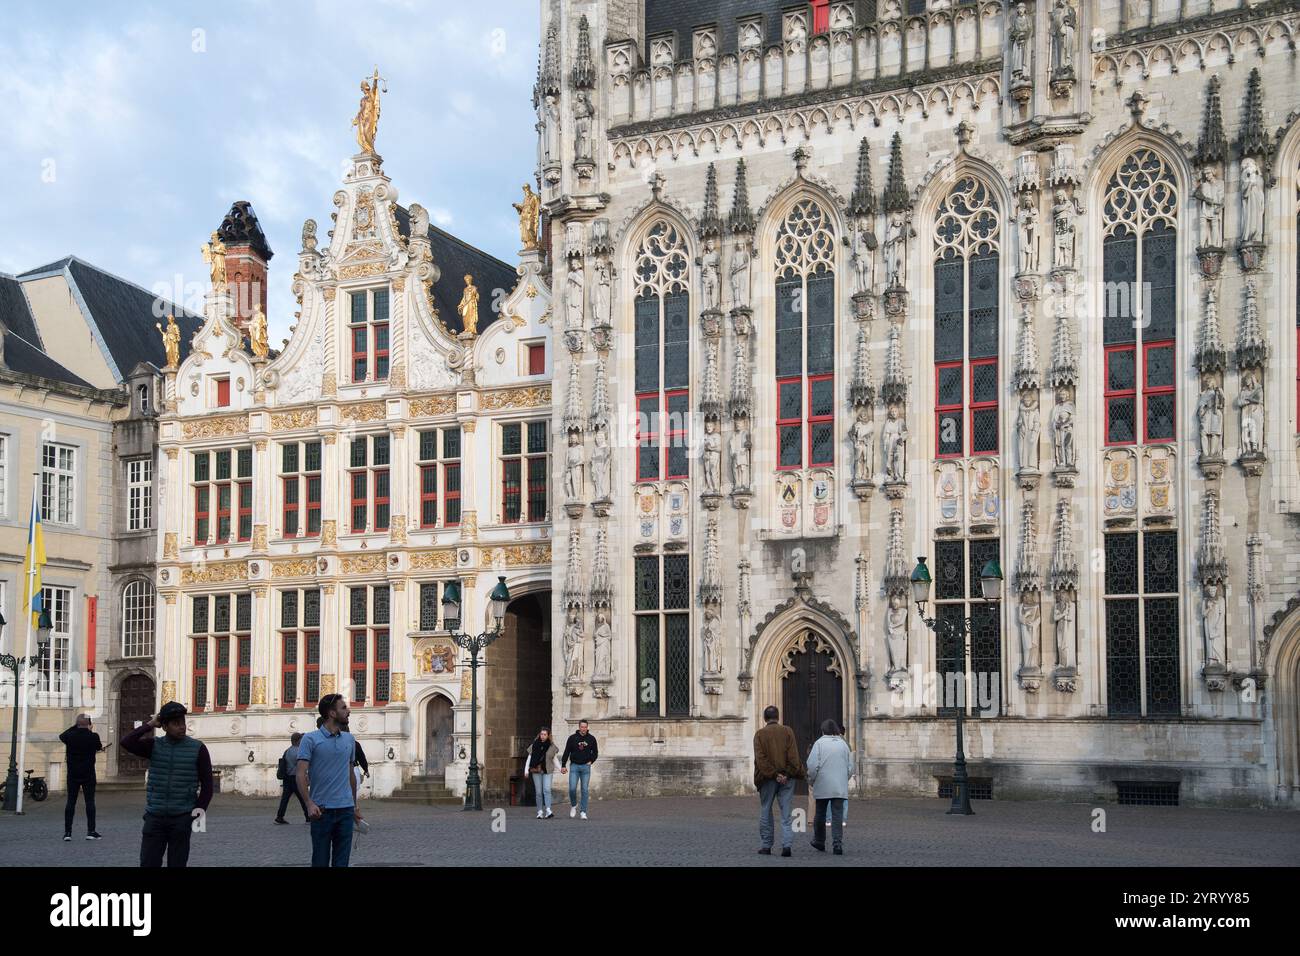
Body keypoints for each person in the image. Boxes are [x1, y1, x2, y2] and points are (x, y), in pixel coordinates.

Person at [120, 701, 213, 868]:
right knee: (148, 863)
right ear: (164, 726)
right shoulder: (154, 745)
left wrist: (195, 815)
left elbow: (208, 787)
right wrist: (150, 724)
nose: (182, 727)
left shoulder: (198, 748)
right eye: (176, 724)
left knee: (177, 864)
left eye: (183, 723)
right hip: (155, 817)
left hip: (182, 817)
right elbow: (127, 742)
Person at [297, 694, 363, 867]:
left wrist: (354, 805)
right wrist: (309, 803)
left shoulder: (349, 739)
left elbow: (350, 773)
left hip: (345, 811)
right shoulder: (310, 739)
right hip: (321, 811)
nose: (348, 711)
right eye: (343, 708)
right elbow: (300, 774)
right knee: (320, 861)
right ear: (332, 713)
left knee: (342, 862)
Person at [753, 705, 804, 857]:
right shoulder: (788, 731)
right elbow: (794, 757)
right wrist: (786, 775)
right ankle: (787, 846)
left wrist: (775, 775)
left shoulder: (760, 734)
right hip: (786, 779)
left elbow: (760, 760)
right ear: (778, 717)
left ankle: (766, 845)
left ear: (764, 718)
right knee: (786, 812)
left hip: (767, 778)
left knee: (766, 810)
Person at [806, 720, 853, 855]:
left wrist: (812, 780)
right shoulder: (843, 745)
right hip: (839, 785)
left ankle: (819, 841)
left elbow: (813, 765)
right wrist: (844, 779)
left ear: (823, 730)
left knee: (820, 814)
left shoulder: (819, 744)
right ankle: (837, 844)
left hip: (822, 784)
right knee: (837, 815)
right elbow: (850, 767)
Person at [59, 714, 104, 841]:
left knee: (70, 802)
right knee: (90, 802)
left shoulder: (70, 736)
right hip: (88, 773)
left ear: (77, 723)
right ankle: (91, 831)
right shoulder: (93, 736)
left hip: (73, 774)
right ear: (89, 724)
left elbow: (61, 736)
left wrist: (76, 725)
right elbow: (99, 747)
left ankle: (68, 832)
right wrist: (88, 729)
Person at [560, 720, 599, 819]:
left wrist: (591, 761)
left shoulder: (591, 739)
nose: (583, 729)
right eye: (582, 727)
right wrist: (563, 765)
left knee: (584, 790)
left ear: (587, 727)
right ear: (579, 727)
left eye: (585, 727)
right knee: (572, 788)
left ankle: (583, 812)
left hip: (586, 767)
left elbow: (595, 752)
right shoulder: (572, 738)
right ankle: (574, 805)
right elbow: (566, 752)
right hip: (574, 766)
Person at [524, 728, 559, 819]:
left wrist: (560, 769)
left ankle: (548, 809)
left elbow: (554, 759)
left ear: (548, 736)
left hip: (548, 770)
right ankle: (540, 811)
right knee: (539, 792)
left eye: (544, 734)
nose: (542, 736)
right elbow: (529, 758)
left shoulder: (552, 746)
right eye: (541, 734)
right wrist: (526, 770)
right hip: (536, 770)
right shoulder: (534, 745)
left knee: (547, 790)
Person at [274, 732, 309, 824]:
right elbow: (302, 766)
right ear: (298, 741)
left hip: (287, 778)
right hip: (296, 778)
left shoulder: (287, 751)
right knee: (303, 798)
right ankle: (308, 817)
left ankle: (279, 816)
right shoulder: (299, 751)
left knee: (285, 799)